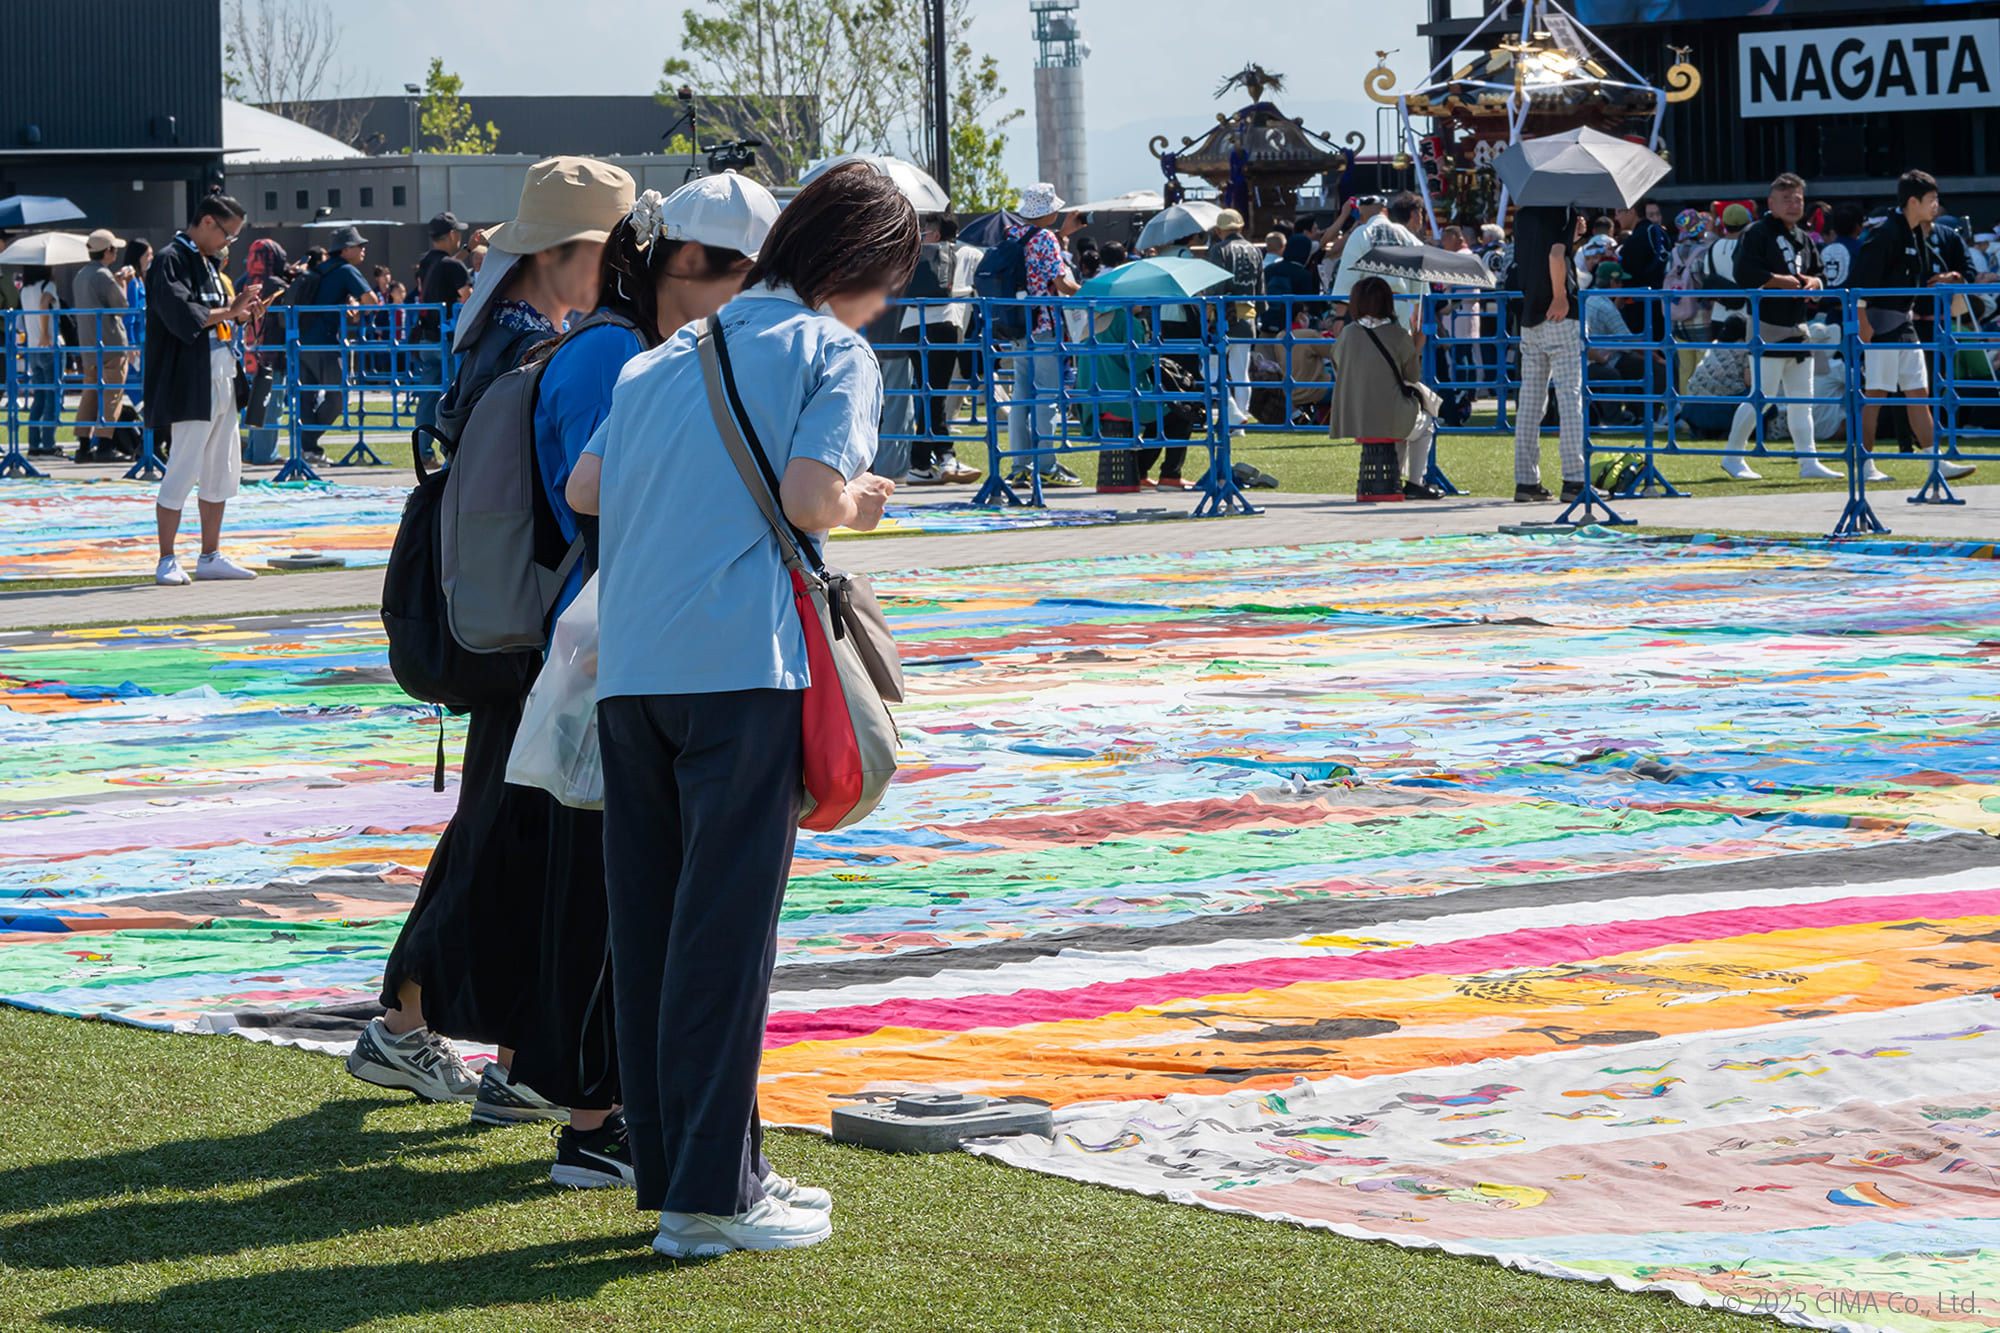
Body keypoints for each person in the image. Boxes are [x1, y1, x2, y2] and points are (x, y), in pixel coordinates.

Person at [567, 161, 907, 1256]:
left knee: (656, 929)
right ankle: (712, 1196)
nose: (885, 306)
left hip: (635, 670)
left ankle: (690, 1177)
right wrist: (855, 503)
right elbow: (813, 498)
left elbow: (585, 488)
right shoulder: (831, 350)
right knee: (723, 938)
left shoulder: (665, 354)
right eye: (887, 281)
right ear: (857, 270)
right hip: (740, 669)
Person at [490, 172, 774, 1191]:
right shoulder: (626, 354)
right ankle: (595, 1116)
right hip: (621, 638)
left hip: (605, 638)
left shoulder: (626, 344)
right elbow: (592, 496)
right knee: (621, 903)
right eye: (742, 275)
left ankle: (573, 1100)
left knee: (601, 891)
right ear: (689, 266)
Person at [346, 156, 636, 1122]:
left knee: (502, 835)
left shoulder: (495, 329)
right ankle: (408, 1024)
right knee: (498, 839)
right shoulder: (548, 347)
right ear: (573, 252)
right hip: (528, 635)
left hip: (495, 620)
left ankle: (485, 1046)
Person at [145, 193, 264, 584]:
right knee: (183, 465)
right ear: (208, 222)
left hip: (223, 374)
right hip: (189, 380)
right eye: (228, 234)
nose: (229, 243)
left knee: (221, 468)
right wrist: (231, 311)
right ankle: (166, 557)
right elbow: (182, 316)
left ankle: (210, 554)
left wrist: (241, 311)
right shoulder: (170, 259)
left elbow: (217, 316)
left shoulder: (207, 262)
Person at [1853, 169, 1977, 484]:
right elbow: (1860, 282)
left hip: (1904, 325)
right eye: (1932, 199)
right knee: (1876, 395)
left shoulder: (1910, 233)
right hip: (1881, 326)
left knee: (1919, 394)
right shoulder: (1885, 234)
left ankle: (1936, 460)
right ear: (1913, 201)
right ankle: (1865, 465)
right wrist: (1862, 321)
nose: (1936, 205)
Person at [1723, 173, 1839, 481]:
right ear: (1771, 203)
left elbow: (1818, 273)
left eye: (1798, 199)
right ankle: (1732, 456)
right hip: (1767, 324)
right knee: (1762, 397)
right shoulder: (1756, 232)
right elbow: (1744, 271)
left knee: (1803, 399)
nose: (1793, 204)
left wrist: (1815, 281)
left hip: (1798, 326)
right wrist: (1777, 281)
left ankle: (1809, 461)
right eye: (1785, 199)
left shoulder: (1802, 237)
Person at [1003, 182, 1086, 488]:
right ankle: (1047, 465)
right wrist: (1088, 292)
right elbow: (1062, 284)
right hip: (1044, 325)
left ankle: (1019, 465)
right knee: (1047, 398)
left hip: (1016, 326)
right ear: (1047, 209)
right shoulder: (1045, 239)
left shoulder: (1012, 235)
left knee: (1021, 397)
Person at [1330, 275, 1440, 500]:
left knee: (1399, 425)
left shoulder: (1346, 335)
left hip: (1356, 416)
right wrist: (1416, 347)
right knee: (1425, 425)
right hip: (1390, 414)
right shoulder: (1398, 335)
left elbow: (1337, 364)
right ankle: (1414, 482)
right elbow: (1412, 376)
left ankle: (1394, 478)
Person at [1510, 205, 1588, 503]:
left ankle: (1527, 481)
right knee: (1570, 398)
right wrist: (1560, 297)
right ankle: (1574, 478)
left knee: (1530, 403)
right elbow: (1556, 254)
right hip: (1559, 315)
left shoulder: (1524, 213)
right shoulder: (1562, 207)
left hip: (1530, 316)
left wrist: (1574, 237)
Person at [900, 213, 983, 484]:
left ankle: (924, 463)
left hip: (910, 324)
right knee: (936, 393)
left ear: (935, 234)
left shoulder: (913, 254)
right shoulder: (968, 252)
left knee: (927, 391)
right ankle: (941, 457)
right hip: (947, 323)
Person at [298, 226, 379, 462]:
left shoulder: (320, 268)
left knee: (306, 397)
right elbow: (372, 302)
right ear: (346, 250)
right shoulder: (346, 270)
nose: (363, 249)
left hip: (302, 340)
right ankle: (310, 444)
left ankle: (307, 449)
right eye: (358, 245)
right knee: (339, 397)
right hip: (325, 342)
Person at [413, 212, 474, 454]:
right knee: (454, 396)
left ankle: (423, 451)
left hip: (427, 337)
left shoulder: (427, 262)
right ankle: (450, 449)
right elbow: (468, 297)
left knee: (428, 398)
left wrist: (469, 248)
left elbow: (445, 265)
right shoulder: (454, 266)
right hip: (449, 338)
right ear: (451, 234)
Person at [72, 228, 131, 464]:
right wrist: (123, 283)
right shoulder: (103, 276)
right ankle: (105, 446)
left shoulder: (80, 276)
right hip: (112, 343)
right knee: (112, 395)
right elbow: (122, 306)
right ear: (108, 251)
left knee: (90, 395)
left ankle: (83, 445)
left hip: (89, 345)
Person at [1208, 209, 1265, 425]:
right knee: (1241, 372)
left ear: (1218, 231)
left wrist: (1209, 310)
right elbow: (1261, 291)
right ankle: (1240, 419)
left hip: (1223, 314)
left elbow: (1216, 287)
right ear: (1241, 228)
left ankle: (1233, 413)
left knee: (1210, 366)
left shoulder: (1218, 249)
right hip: (1248, 315)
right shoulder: (1255, 250)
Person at [17, 266, 63, 458]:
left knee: (39, 398)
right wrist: (45, 334)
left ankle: (34, 445)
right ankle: (48, 445)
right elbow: (45, 303)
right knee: (53, 396)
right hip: (50, 344)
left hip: (33, 348)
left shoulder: (25, 290)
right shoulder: (48, 285)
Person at [1615, 198, 1670, 290]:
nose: (1616, 218)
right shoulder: (1662, 233)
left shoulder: (1638, 237)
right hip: (1663, 296)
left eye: (1619, 212)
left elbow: (1629, 275)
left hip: (1643, 298)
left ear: (1631, 211)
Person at [1820, 203, 1865, 289]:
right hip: (1851, 300)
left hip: (1824, 299)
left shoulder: (1823, 250)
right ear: (1858, 227)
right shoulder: (1862, 249)